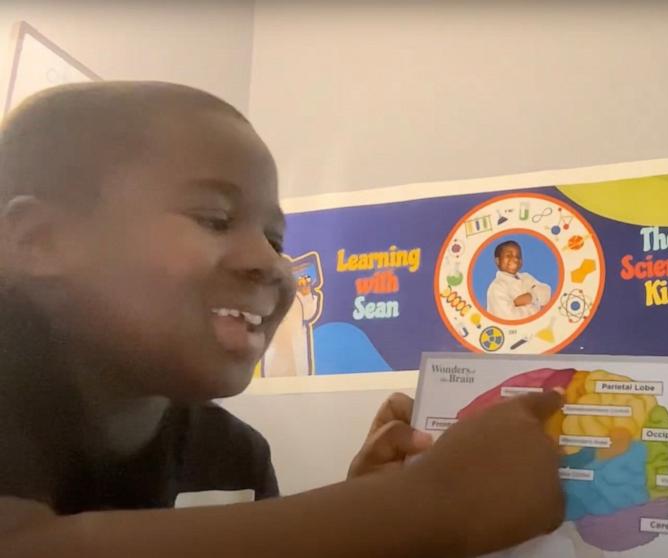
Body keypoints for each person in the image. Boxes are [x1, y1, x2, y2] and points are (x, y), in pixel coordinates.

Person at [0, 82, 565, 557]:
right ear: (41, 241)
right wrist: (418, 507)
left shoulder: (232, 455)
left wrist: (356, 517)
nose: (272, 263)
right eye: (214, 218)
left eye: (274, 238)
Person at [486, 240, 552, 320]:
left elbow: (546, 293)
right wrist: (534, 307)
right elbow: (510, 318)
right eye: (509, 255)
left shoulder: (526, 277)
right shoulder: (496, 287)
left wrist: (531, 296)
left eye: (518, 256)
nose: (515, 259)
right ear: (498, 261)